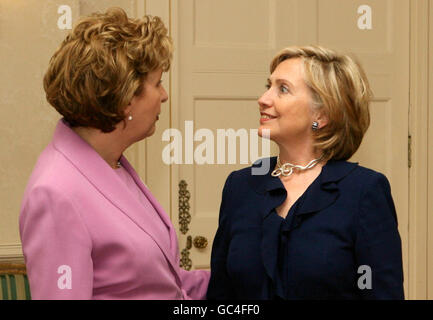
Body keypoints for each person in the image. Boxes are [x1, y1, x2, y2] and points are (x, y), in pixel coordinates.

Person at [19, 7, 209, 300]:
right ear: (125, 99)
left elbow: (163, 284)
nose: (164, 95)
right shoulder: (55, 193)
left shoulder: (110, 164)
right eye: (157, 83)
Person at [207, 45, 404, 300]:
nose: (263, 98)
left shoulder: (364, 191)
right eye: (268, 85)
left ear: (320, 115)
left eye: (283, 89)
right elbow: (221, 294)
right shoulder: (240, 186)